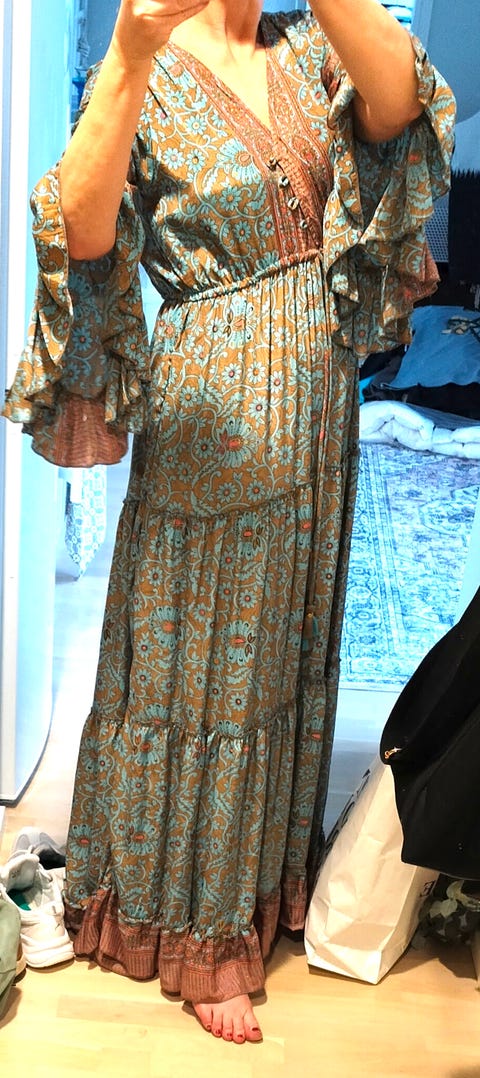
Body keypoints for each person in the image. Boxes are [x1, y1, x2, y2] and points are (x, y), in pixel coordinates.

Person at [3, 0, 454, 1046]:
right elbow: (79, 232)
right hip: (214, 423)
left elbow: (403, 106)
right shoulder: (147, 59)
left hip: (319, 415)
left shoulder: (307, 43)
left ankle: (255, 888)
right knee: (200, 670)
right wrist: (129, 49)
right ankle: (192, 927)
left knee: (281, 657)